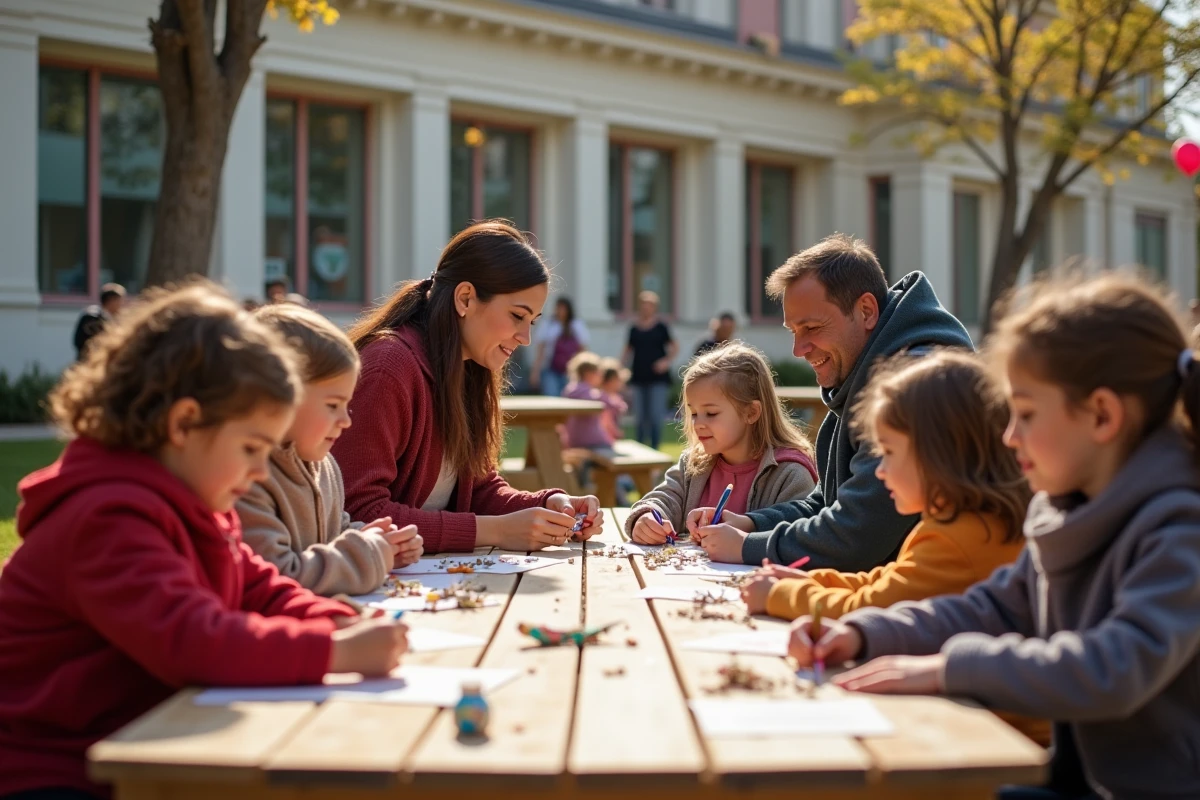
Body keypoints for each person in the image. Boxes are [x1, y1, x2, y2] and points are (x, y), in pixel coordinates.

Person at [787, 274, 1200, 800]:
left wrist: (949, 669)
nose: (1009, 437)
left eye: (1025, 415)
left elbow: (1113, 667)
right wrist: (867, 634)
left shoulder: (1179, 527)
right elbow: (994, 607)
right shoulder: (1065, 512)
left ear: (1102, 415)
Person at [0, 283, 408, 799]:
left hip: (146, 742)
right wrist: (335, 651)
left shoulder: (194, 503)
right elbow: (195, 641)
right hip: (55, 771)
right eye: (251, 447)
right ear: (184, 423)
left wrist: (340, 620)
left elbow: (255, 587)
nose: (262, 469)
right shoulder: (108, 517)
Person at [691, 234, 972, 568]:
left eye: (811, 327)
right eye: (793, 331)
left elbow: (857, 534)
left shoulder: (916, 386)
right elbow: (828, 502)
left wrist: (748, 547)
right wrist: (751, 524)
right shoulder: (860, 371)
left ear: (866, 311)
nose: (799, 349)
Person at [332, 220, 603, 554]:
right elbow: (357, 512)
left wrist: (549, 504)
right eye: (517, 316)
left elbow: (476, 490)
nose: (526, 337)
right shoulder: (388, 368)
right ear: (465, 298)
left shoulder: (469, 368)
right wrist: (495, 531)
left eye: (531, 321)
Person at [237, 304, 425, 597]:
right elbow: (280, 575)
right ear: (280, 398)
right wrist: (369, 555)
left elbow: (336, 533)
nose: (346, 420)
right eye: (332, 405)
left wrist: (378, 540)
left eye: (346, 405)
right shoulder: (247, 477)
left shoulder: (326, 466)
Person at [626, 342, 817, 544]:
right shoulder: (694, 465)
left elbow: (798, 536)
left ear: (751, 412)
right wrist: (646, 517)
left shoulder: (790, 474)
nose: (698, 424)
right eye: (693, 413)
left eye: (711, 413)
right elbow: (665, 499)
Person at [623, 291, 677, 450]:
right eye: (643, 305)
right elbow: (627, 350)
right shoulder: (634, 328)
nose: (646, 308)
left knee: (655, 416)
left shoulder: (662, 327)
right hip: (639, 377)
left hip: (658, 379)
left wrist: (665, 362)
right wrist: (621, 369)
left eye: (649, 305)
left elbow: (674, 347)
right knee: (640, 418)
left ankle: (655, 449)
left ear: (654, 307)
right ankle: (640, 450)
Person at [530, 296, 589, 398]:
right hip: (551, 368)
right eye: (558, 308)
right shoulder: (548, 324)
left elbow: (583, 349)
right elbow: (541, 350)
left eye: (563, 308)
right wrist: (535, 371)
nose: (561, 311)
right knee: (551, 397)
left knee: (570, 398)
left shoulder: (576, 325)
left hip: (571, 371)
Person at [71, 283, 125, 361]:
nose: (122, 305)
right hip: (91, 364)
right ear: (112, 300)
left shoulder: (109, 318)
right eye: (120, 300)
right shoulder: (93, 318)